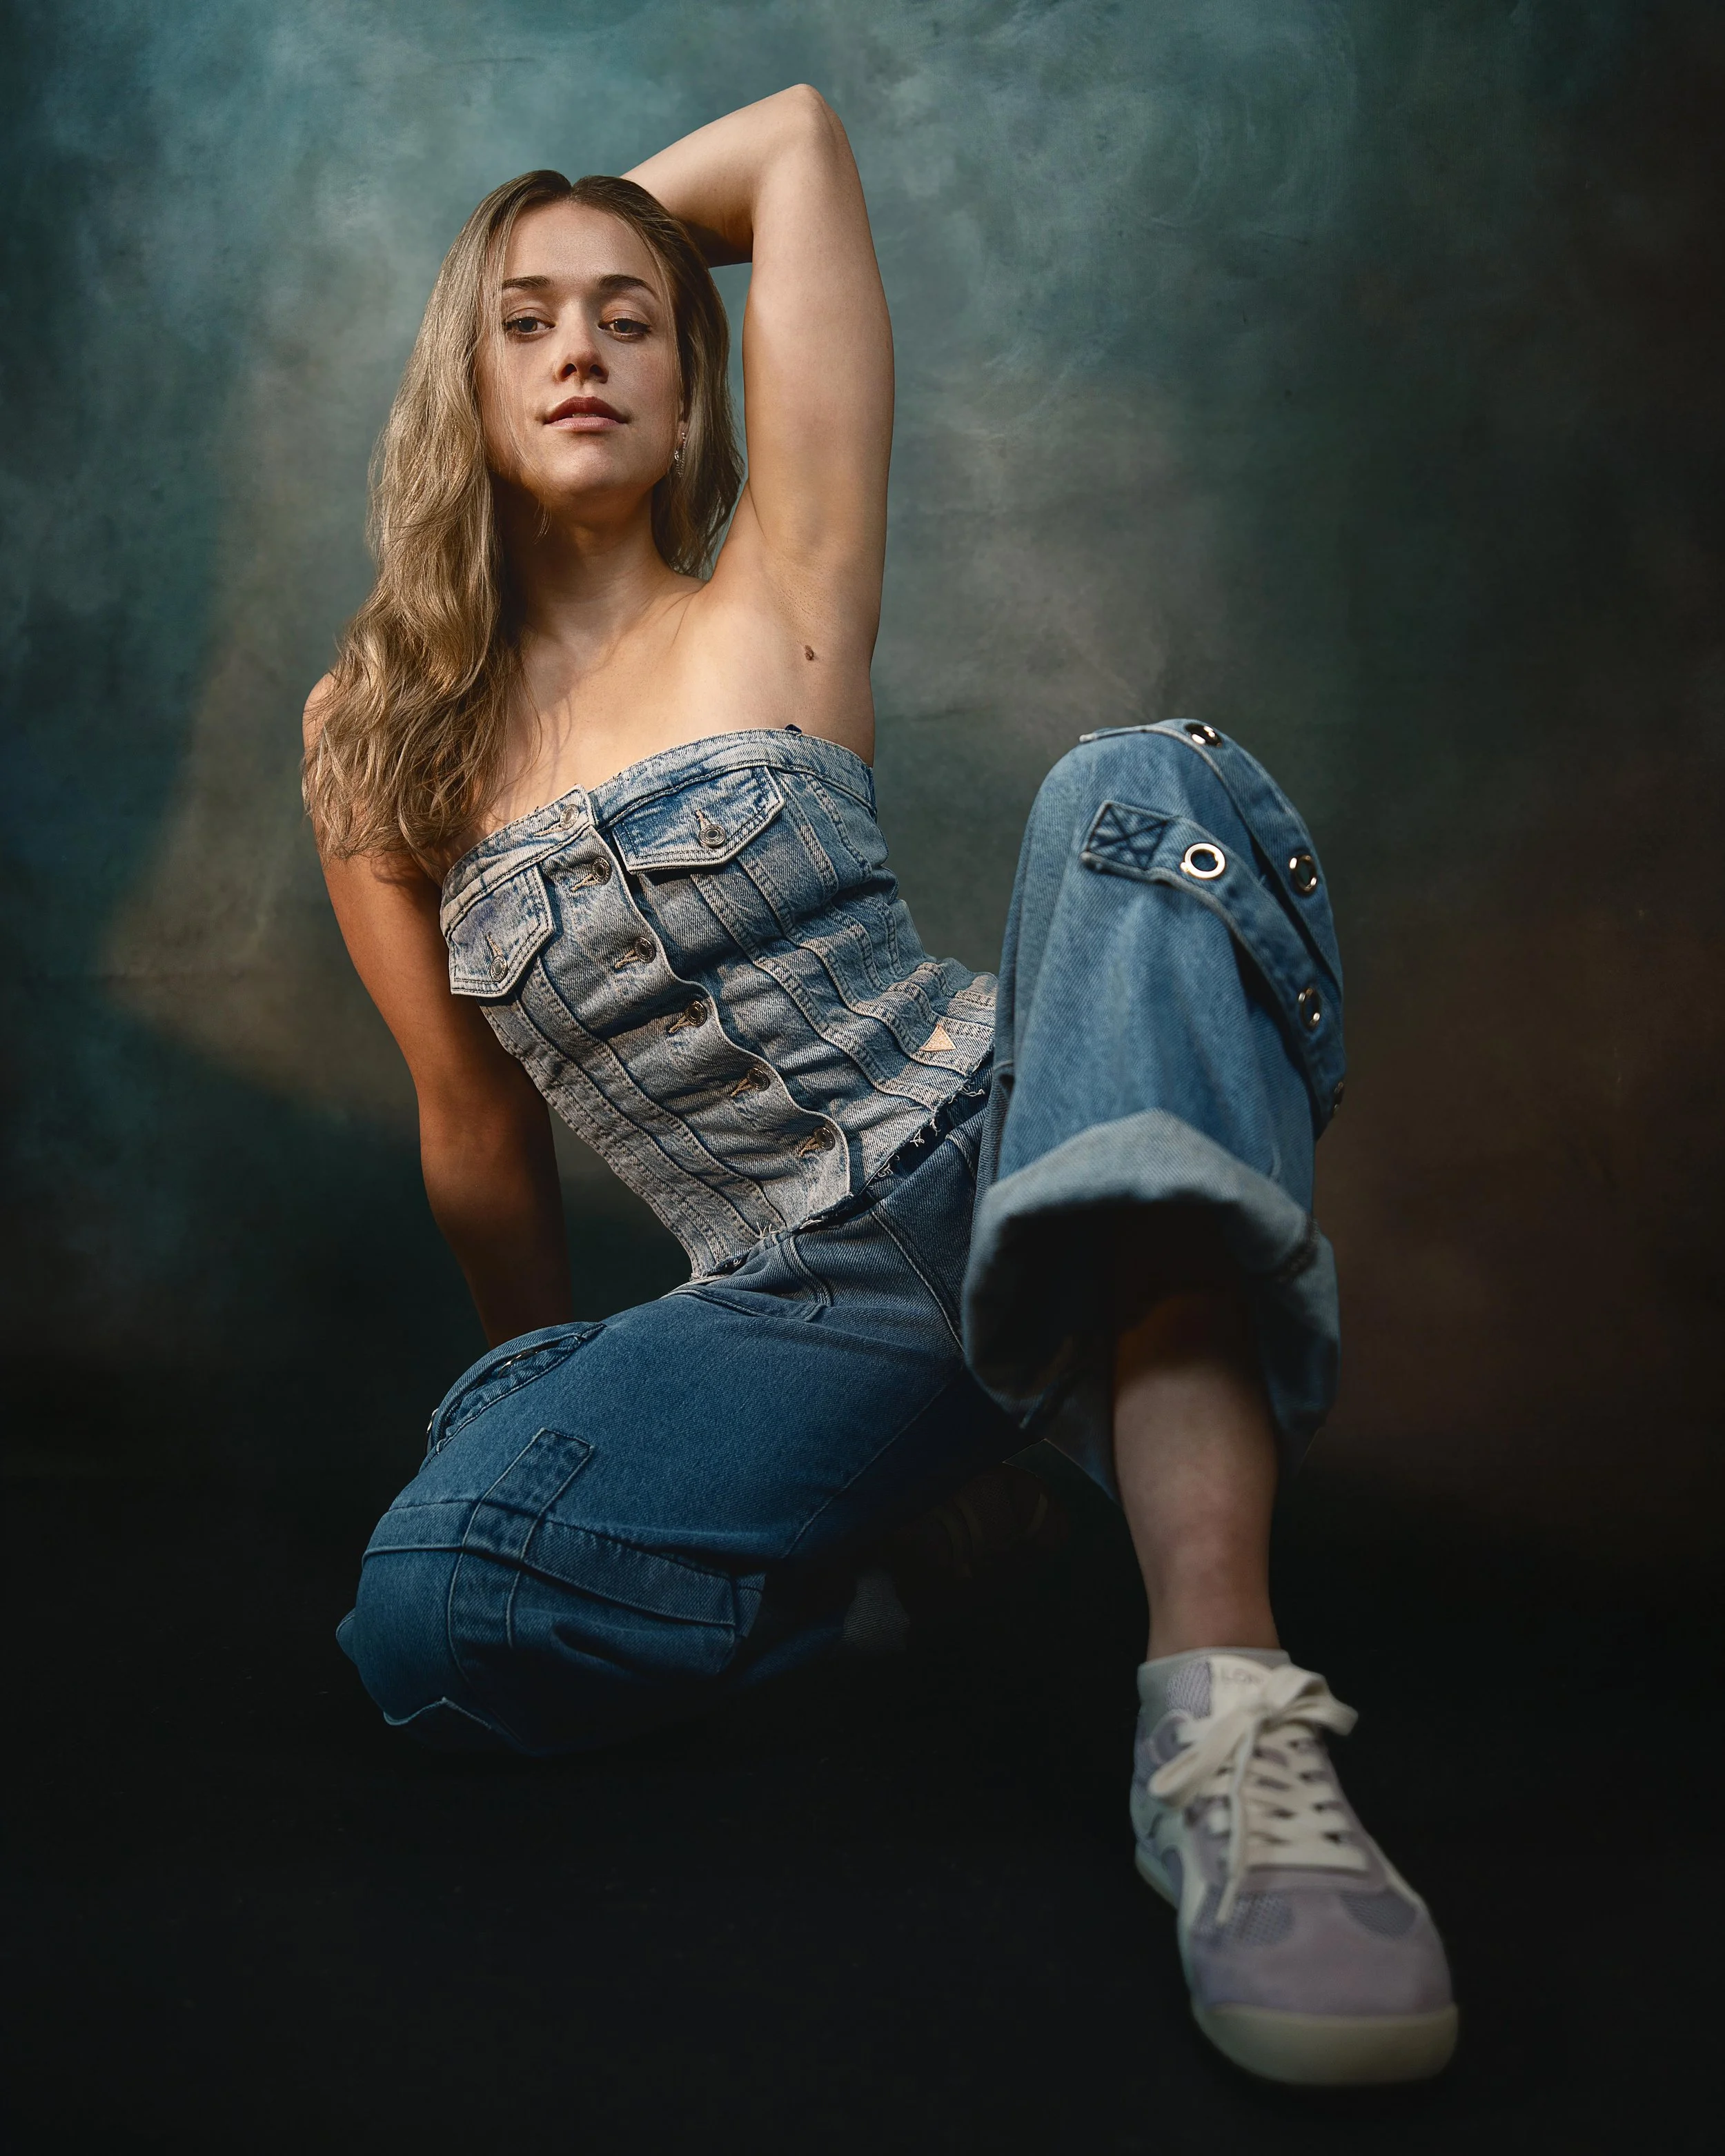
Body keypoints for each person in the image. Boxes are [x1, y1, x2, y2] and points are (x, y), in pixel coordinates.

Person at [303, 87, 1456, 2088]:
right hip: (787, 1301)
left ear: (692, 369)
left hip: (1029, 1142)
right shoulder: (372, 738)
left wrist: (569, 230)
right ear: (457, 379)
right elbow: (473, 1127)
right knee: (431, 1611)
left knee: (1135, 785)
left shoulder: (779, 574)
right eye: (522, 321)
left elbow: (796, 143)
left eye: (631, 315)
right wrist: (567, 1397)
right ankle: (914, 1492)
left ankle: (1221, 1719)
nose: (578, 349)